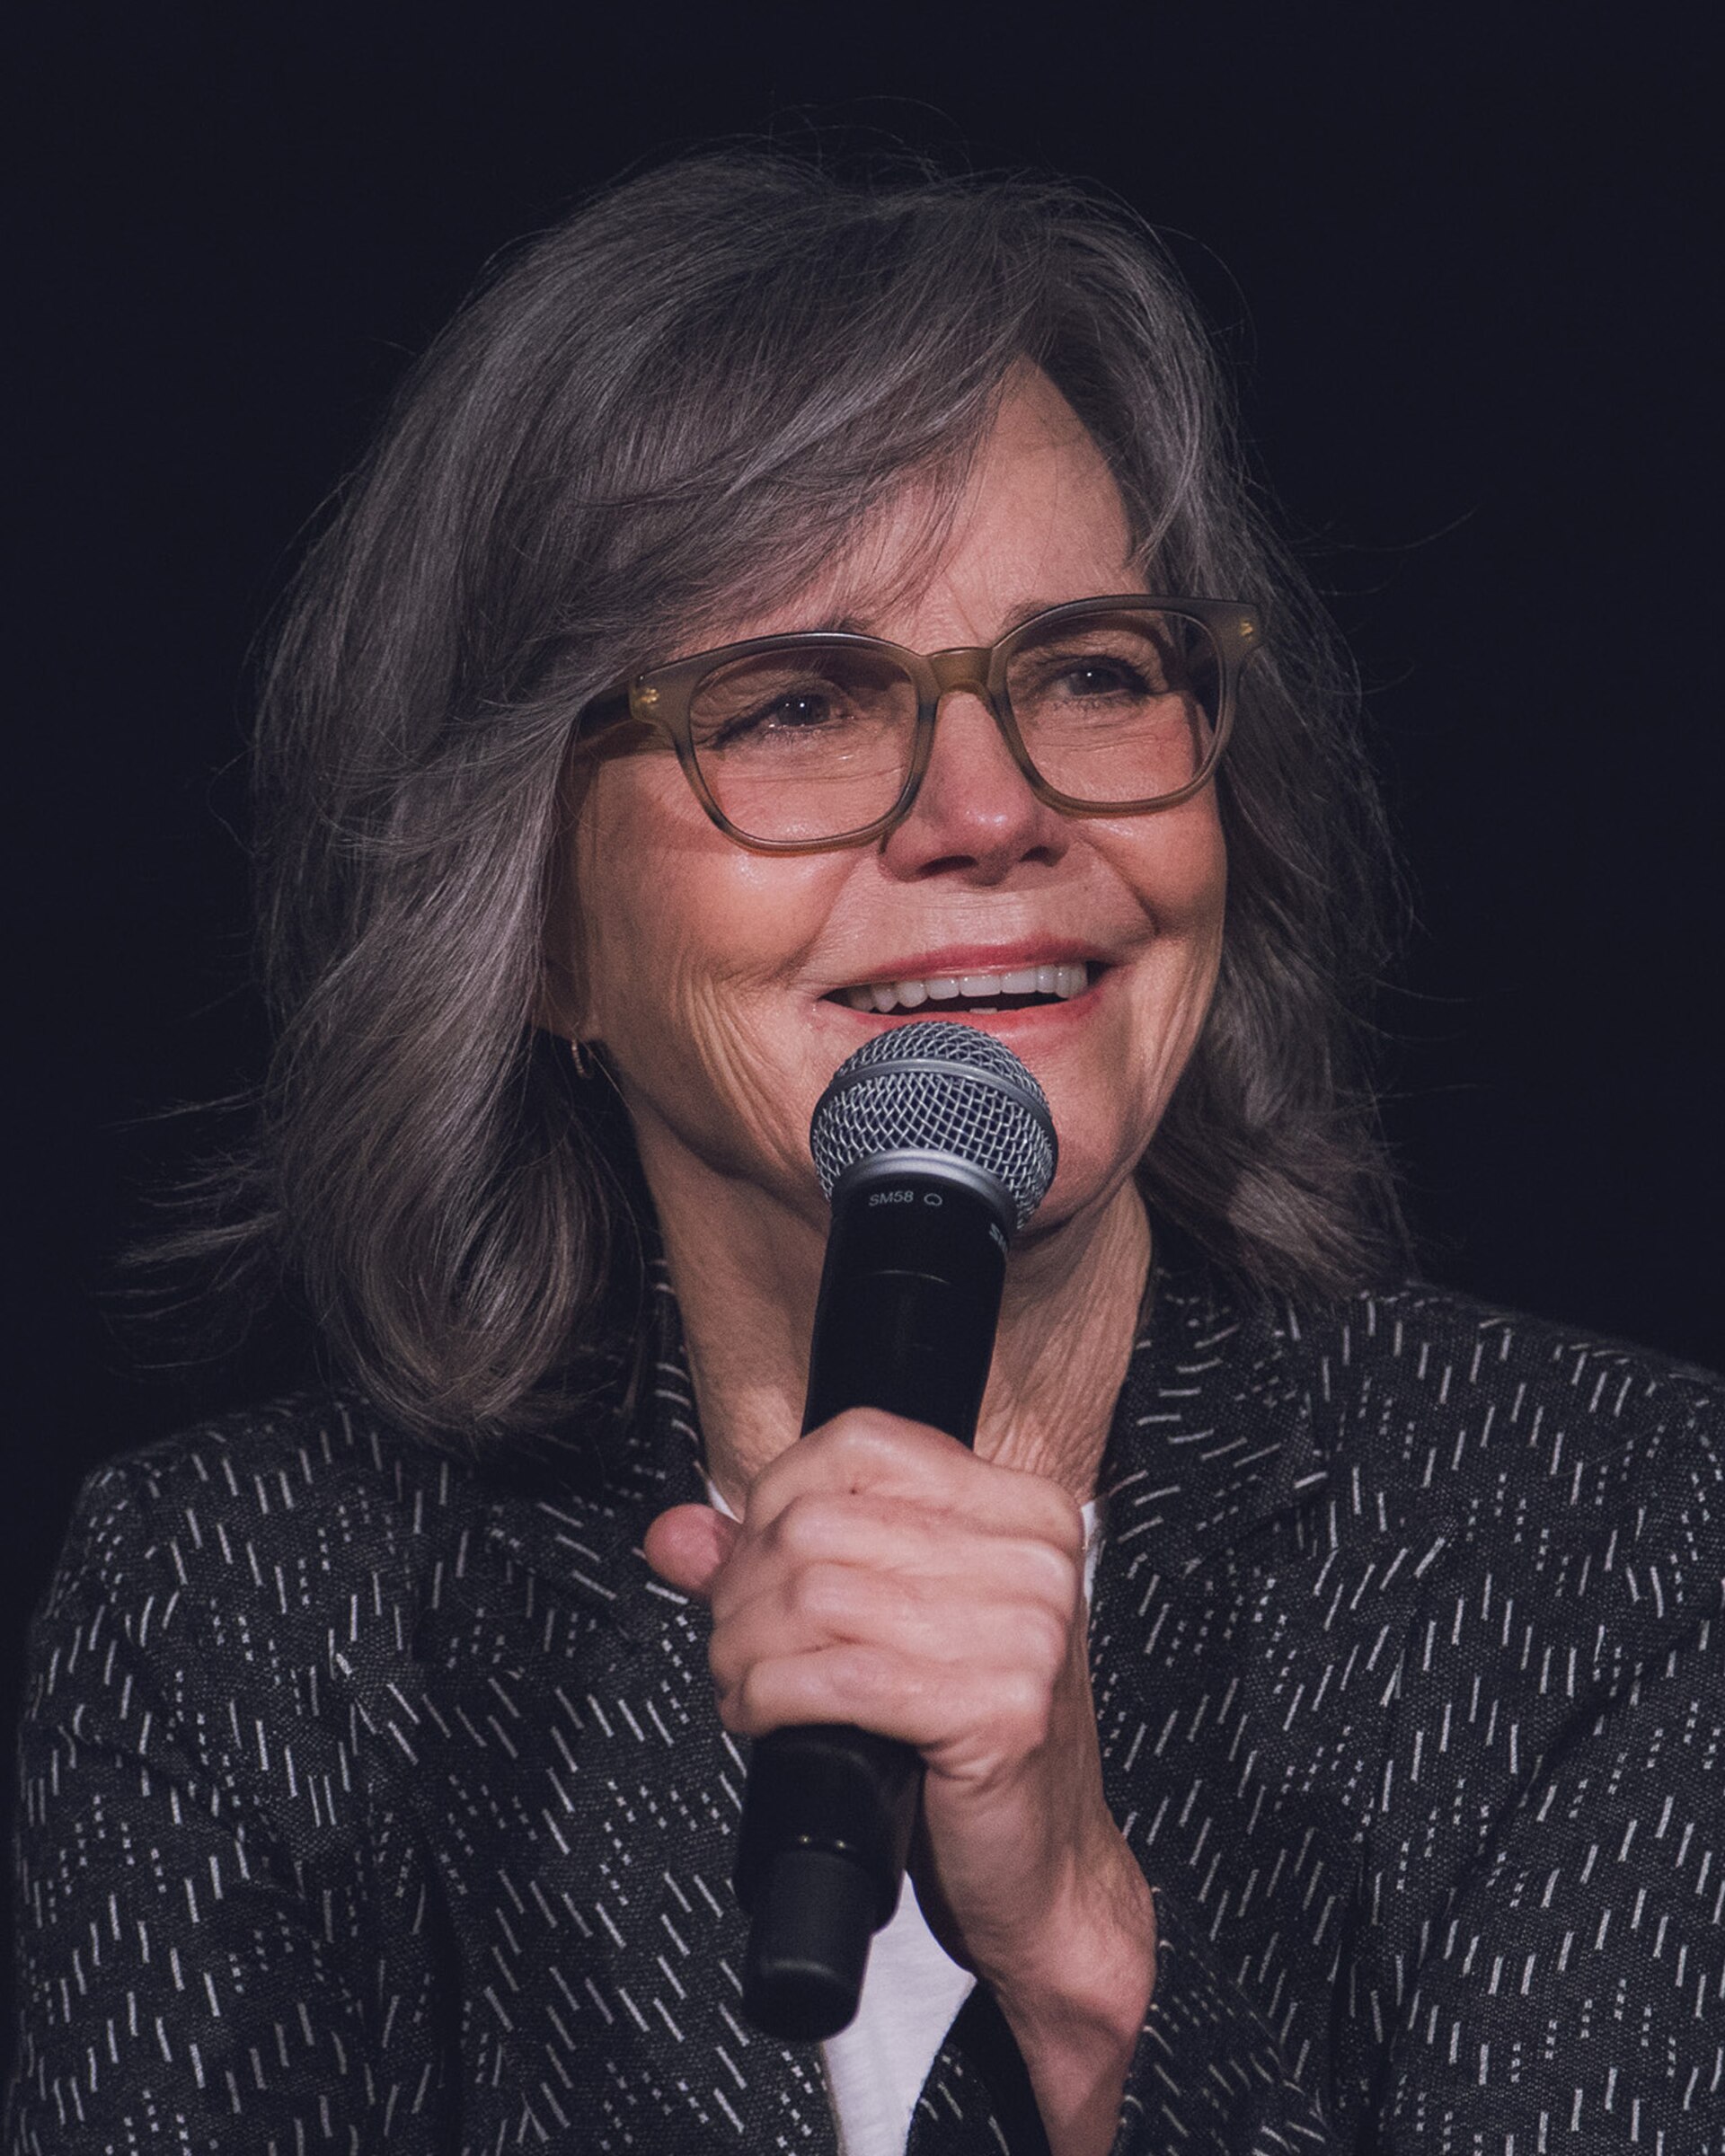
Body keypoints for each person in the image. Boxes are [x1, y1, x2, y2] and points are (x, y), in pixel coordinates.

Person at [6, 154, 1721, 2156]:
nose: (990, 815)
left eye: (1093, 670)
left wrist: (1089, 1969)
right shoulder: (239, 1616)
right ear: (535, 917)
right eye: (798, 703)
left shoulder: (1617, 1549)